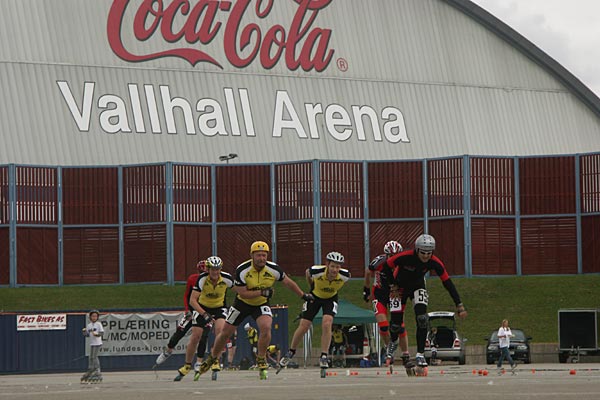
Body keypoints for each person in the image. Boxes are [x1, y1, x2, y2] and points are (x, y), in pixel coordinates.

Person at [195, 241, 314, 379]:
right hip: (242, 303)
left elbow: (288, 282)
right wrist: (262, 292)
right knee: (225, 333)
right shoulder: (243, 270)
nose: (262, 258)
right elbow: (242, 293)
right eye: (258, 255)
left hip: (260, 304)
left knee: (266, 326)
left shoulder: (273, 269)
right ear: (252, 255)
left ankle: (261, 358)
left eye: (264, 255)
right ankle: (213, 358)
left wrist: (303, 295)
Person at [386, 234, 467, 368]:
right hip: (399, 287)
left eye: (429, 253)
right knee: (396, 325)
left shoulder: (435, 262)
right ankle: (393, 342)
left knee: (422, 318)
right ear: (417, 250)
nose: (425, 256)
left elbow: (447, 283)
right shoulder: (406, 256)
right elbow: (386, 266)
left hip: (418, 286)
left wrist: (459, 304)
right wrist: (392, 285)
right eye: (423, 253)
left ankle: (420, 354)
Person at [279, 251, 350, 370]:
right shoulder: (317, 271)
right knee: (304, 325)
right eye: (332, 266)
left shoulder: (345, 275)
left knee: (327, 323)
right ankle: (291, 351)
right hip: (314, 297)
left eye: (337, 267)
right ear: (327, 264)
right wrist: (311, 286)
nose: (334, 270)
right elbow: (307, 273)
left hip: (330, 298)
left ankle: (323, 355)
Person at [174, 256, 234, 381]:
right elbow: (192, 300)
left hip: (219, 307)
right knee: (196, 336)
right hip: (202, 307)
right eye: (212, 269)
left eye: (217, 269)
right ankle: (187, 365)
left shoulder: (227, 278)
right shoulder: (202, 279)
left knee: (220, 331)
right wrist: (204, 314)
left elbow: (240, 290)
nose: (215, 272)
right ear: (208, 269)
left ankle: (215, 360)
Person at [155, 260, 209, 368]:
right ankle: (168, 350)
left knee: (203, 336)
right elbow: (187, 296)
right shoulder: (193, 279)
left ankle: (199, 361)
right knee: (180, 330)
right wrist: (187, 310)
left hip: (205, 311)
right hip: (193, 309)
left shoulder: (214, 281)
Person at [363, 240, 410, 366]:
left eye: (396, 256)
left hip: (395, 295)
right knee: (383, 326)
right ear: (386, 255)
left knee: (399, 326)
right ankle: (389, 348)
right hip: (380, 294)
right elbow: (368, 271)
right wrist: (366, 290)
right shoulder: (379, 262)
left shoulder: (404, 264)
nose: (393, 259)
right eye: (390, 256)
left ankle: (405, 353)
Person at [81, 310, 104, 383]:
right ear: (90, 317)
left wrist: (97, 334)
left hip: (98, 343)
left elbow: (101, 333)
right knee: (90, 357)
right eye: (93, 316)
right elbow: (87, 335)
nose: (94, 317)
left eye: (95, 316)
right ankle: (91, 369)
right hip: (92, 343)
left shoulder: (98, 324)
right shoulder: (89, 325)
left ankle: (97, 370)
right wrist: (84, 332)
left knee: (94, 357)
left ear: (97, 317)